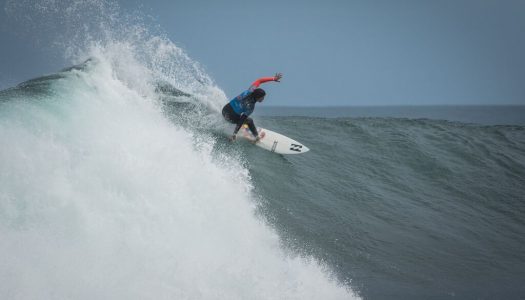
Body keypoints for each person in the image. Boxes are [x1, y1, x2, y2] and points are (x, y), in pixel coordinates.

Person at [222, 73, 282, 142]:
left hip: (225, 110)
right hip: (229, 118)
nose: (263, 99)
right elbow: (241, 120)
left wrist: (273, 78)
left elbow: (259, 80)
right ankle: (256, 137)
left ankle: (244, 127)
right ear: (257, 97)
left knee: (241, 116)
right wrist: (234, 134)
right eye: (262, 97)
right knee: (249, 121)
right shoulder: (250, 107)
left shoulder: (250, 90)